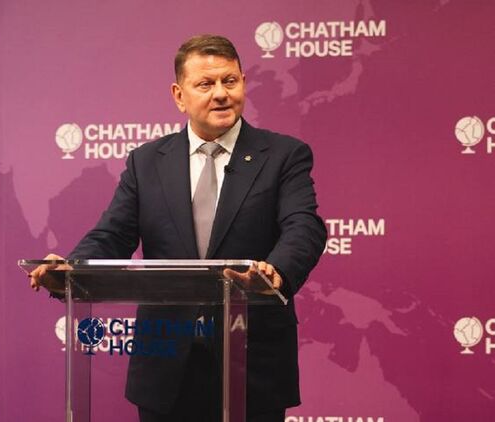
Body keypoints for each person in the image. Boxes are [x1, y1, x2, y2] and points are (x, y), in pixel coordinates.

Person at [29, 34, 327, 422]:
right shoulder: (147, 162)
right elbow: (113, 234)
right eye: (205, 84)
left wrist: (277, 272)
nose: (220, 94)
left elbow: (303, 226)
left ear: (243, 82)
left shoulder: (284, 155)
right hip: (166, 364)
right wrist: (72, 270)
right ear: (179, 95)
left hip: (252, 362)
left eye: (230, 81)